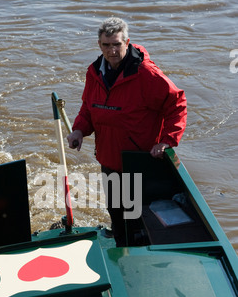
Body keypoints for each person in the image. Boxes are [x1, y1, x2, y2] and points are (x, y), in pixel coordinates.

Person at [67, 17, 187, 246]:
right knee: (116, 214)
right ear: (99, 45)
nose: (112, 50)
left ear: (127, 43)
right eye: (106, 45)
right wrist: (79, 130)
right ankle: (121, 253)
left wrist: (167, 141)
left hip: (139, 161)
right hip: (109, 159)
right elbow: (89, 107)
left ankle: (137, 262)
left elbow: (177, 104)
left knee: (137, 222)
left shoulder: (146, 74)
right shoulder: (94, 73)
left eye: (117, 44)